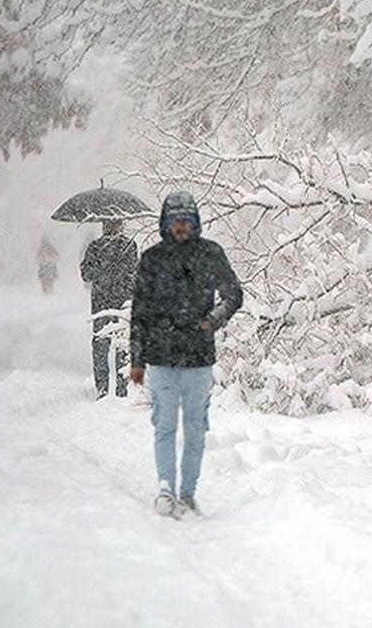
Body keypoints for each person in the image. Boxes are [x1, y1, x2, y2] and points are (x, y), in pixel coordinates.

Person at [129, 191, 242, 518]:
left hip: (198, 358)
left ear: (196, 222)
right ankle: (166, 487)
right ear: (165, 222)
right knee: (164, 425)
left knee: (195, 429)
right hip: (160, 358)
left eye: (187, 220)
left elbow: (234, 294)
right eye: (176, 220)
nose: (181, 226)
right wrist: (137, 358)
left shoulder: (210, 254)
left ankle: (188, 494)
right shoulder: (152, 259)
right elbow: (140, 311)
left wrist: (214, 320)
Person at [80, 219, 138, 399]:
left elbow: (86, 275)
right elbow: (135, 274)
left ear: (104, 226)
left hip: (101, 304)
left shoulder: (95, 247)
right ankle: (122, 390)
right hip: (123, 304)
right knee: (122, 346)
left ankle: (102, 389)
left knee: (100, 345)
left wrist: (98, 269)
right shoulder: (130, 245)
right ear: (121, 226)